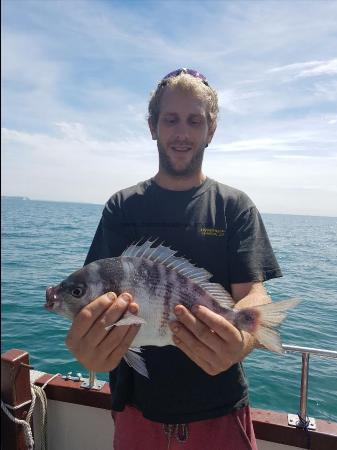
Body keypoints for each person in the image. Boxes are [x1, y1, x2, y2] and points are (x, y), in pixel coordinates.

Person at [66, 68, 282, 449]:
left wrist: (242, 341)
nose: (182, 133)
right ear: (153, 126)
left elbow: (254, 294)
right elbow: (95, 298)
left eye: (194, 121)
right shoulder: (122, 207)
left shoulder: (235, 207)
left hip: (221, 409)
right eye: (171, 119)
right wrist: (87, 347)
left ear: (210, 130)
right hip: (137, 412)